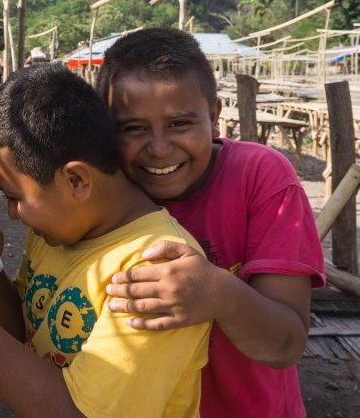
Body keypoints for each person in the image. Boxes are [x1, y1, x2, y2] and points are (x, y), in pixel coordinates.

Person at [0, 63, 211, 418]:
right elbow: (23, 333)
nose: (13, 213)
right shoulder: (54, 235)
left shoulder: (155, 267)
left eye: (14, 197)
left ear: (76, 180)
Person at [95, 28, 326, 418]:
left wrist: (218, 293)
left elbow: (286, 346)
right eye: (133, 129)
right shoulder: (101, 190)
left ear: (215, 116)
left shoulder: (262, 178)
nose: (159, 149)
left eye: (180, 124)